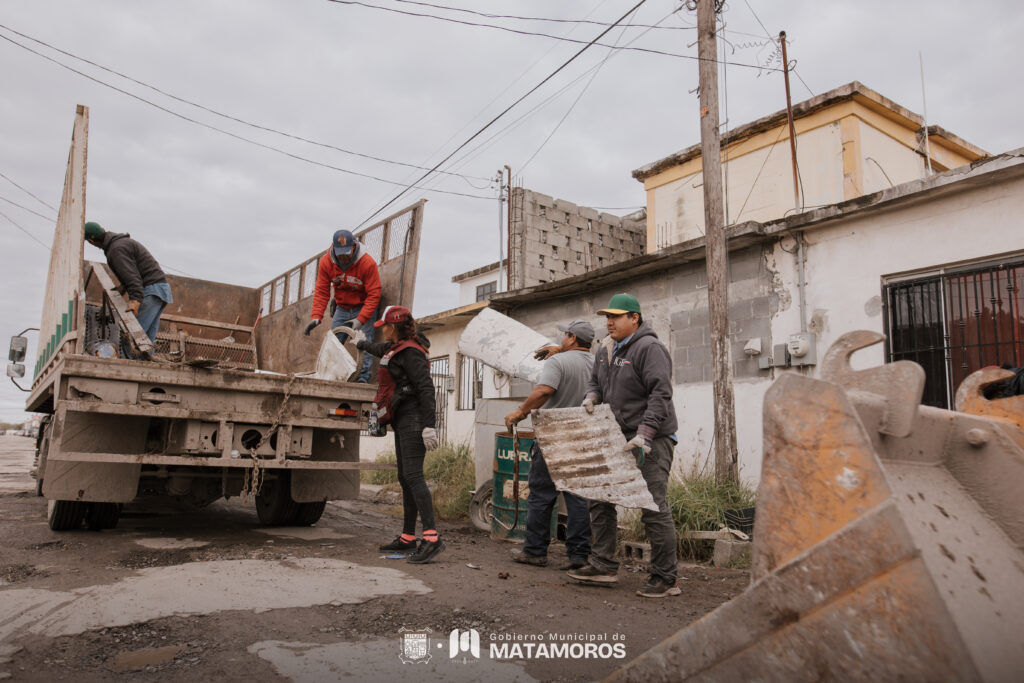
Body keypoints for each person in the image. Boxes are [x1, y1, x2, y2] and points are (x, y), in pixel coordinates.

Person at [568, 293, 680, 599]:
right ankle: (603, 564)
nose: (609, 322)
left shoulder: (649, 348)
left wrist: (644, 433)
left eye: (616, 317)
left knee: (652, 506)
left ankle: (666, 578)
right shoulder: (605, 349)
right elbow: (596, 382)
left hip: (651, 439)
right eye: (607, 317)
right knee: (600, 497)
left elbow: (660, 394)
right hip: (616, 435)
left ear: (635, 318)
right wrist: (591, 397)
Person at [504, 320, 595, 571]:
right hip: (582, 437)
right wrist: (562, 351)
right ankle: (578, 555)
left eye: (565, 335)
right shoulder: (598, 363)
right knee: (576, 496)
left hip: (554, 435)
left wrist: (520, 412)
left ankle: (534, 551)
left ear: (573, 338)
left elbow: (545, 390)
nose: (562, 338)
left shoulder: (558, 362)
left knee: (542, 495)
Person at [356, 305, 444, 564]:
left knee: (414, 476)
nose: (382, 329)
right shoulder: (396, 348)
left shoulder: (411, 353)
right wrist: (362, 345)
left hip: (414, 419)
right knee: (405, 477)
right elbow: (380, 350)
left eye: (384, 325)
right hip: (401, 417)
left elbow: (426, 388)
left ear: (392, 327)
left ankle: (431, 538)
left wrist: (430, 425)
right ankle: (408, 537)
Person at [304, 229, 381, 383]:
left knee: (364, 341)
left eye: (347, 253)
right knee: (333, 342)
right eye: (340, 254)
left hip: (363, 306)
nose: (344, 257)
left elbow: (374, 294)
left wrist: (361, 319)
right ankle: (330, 377)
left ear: (354, 246)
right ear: (333, 248)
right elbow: (321, 291)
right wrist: (316, 317)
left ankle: (362, 379)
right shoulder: (326, 262)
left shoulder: (367, 263)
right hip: (342, 308)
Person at [83, 221, 173, 345]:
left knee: (132, 340)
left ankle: (132, 363)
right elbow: (134, 270)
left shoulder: (116, 249)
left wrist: (135, 300)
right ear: (103, 229)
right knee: (145, 341)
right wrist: (124, 287)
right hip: (160, 289)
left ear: (91, 241)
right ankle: (143, 363)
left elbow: (133, 278)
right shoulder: (121, 243)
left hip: (151, 290)